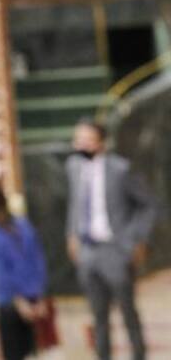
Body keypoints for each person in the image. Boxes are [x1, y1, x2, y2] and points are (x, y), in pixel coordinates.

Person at [66, 118, 158, 360]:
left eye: (88, 140)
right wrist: (72, 234)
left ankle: (138, 354)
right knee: (98, 316)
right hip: (88, 250)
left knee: (128, 311)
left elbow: (147, 205)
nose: (82, 145)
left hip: (115, 249)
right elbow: (74, 204)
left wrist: (134, 239)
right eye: (78, 139)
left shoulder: (120, 169)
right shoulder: (73, 167)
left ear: (101, 142)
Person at [0, 180, 48, 360]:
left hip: (11, 306)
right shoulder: (22, 225)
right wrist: (38, 296)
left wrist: (20, 301)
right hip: (29, 301)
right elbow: (38, 261)